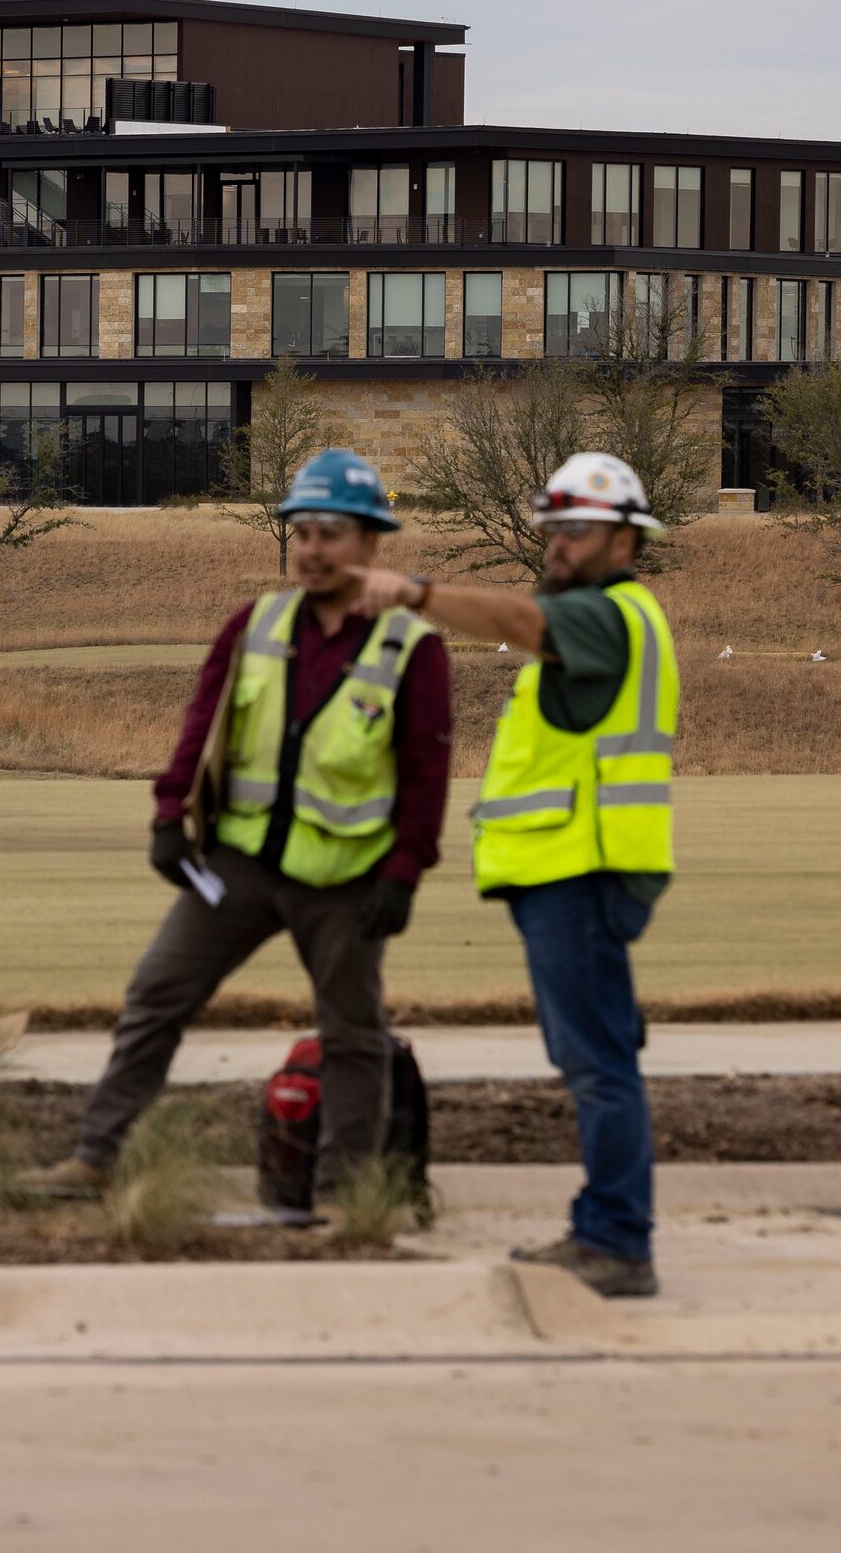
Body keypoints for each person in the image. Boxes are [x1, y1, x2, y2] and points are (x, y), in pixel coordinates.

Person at [34, 449, 453, 1205]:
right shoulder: (255, 625)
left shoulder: (412, 648)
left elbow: (426, 775)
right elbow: (202, 729)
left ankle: (343, 1197)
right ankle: (94, 1159)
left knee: (353, 1035)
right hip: (241, 866)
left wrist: (403, 873)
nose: (312, 549)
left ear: (370, 544)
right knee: (157, 993)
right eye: (301, 533)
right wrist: (169, 816)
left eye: (330, 533)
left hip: (347, 880)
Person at [350, 453, 675, 1299]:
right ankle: (611, 1230)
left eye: (580, 530)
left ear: (624, 540)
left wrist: (417, 593)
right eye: (554, 528)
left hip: (582, 871)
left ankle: (616, 1241)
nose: (560, 543)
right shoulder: (605, 615)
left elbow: (524, 622)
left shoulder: (605, 619)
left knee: (598, 1064)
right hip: (571, 872)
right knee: (601, 1056)